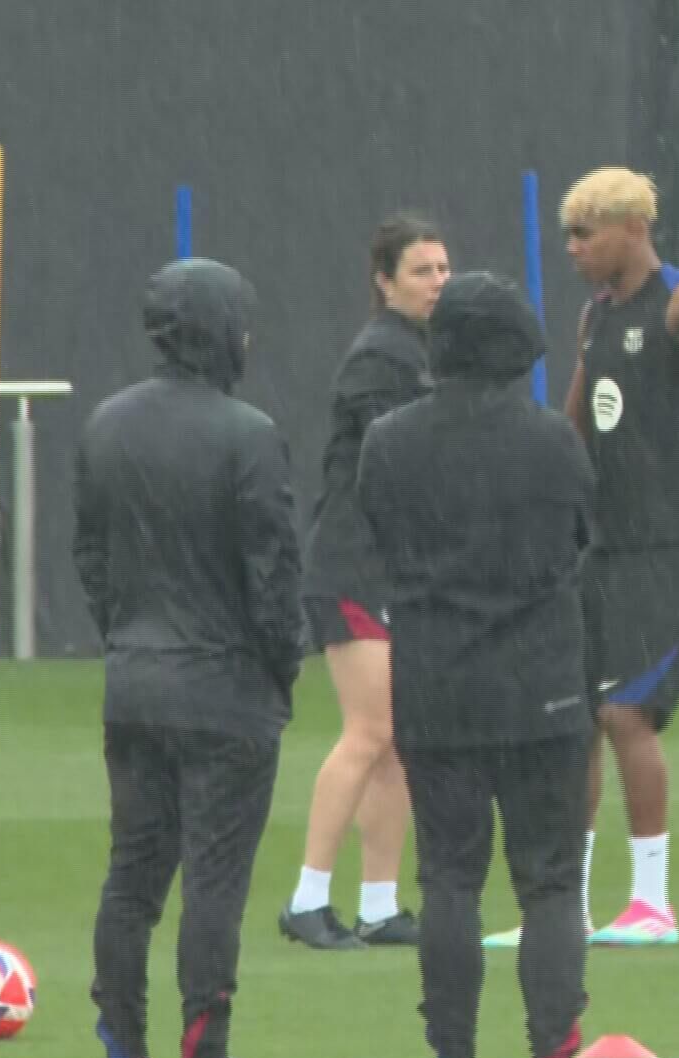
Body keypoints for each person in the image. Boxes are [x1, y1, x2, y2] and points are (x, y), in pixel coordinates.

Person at [486, 167, 679, 949]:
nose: (575, 249)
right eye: (569, 237)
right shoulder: (595, 316)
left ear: (630, 229)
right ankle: (565, 910)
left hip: (673, 550)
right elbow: (576, 420)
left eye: (585, 235)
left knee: (626, 714)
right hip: (605, 549)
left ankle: (652, 905)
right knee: (577, 720)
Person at [357, 271, 596, 1058]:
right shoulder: (551, 439)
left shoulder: (389, 440)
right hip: (544, 687)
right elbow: (581, 538)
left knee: (450, 878)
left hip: (438, 684)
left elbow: (380, 535)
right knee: (551, 884)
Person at [77, 257, 302, 1058]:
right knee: (214, 884)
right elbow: (273, 578)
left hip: (134, 684)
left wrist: (128, 639)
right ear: (220, 330)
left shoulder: (107, 424)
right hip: (227, 694)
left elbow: (91, 558)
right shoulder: (249, 434)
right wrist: (282, 667)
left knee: (132, 877)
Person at [280, 213, 450, 950]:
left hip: (393, 570)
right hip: (353, 568)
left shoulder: (419, 350)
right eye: (422, 270)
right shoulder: (381, 357)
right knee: (370, 731)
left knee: (398, 742)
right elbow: (396, 463)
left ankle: (380, 906)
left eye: (445, 269)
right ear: (384, 282)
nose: (438, 282)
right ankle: (307, 899)